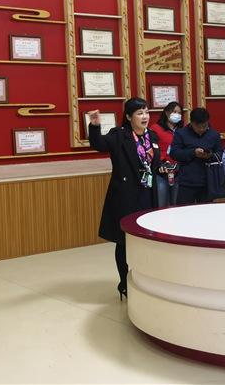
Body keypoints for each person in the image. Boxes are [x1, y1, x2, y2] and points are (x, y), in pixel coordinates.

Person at [87, 98, 160, 301]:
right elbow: (99, 145)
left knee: (145, 241)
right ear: (128, 117)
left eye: (146, 112)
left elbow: (153, 162)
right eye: (139, 113)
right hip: (126, 197)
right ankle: (124, 282)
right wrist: (95, 126)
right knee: (124, 241)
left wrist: (161, 168)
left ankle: (142, 280)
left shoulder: (152, 136)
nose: (145, 117)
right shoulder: (119, 135)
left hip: (147, 194)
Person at [169, 107, 224, 205]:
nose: (201, 129)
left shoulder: (214, 135)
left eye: (204, 126)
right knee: (183, 210)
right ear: (191, 122)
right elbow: (174, 153)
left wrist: (210, 156)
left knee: (205, 211)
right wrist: (193, 153)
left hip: (208, 181)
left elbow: (221, 154)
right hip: (187, 181)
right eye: (198, 126)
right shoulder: (181, 133)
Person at [149, 101, 184, 208]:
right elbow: (152, 149)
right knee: (161, 206)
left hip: (179, 171)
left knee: (177, 206)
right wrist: (162, 162)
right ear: (167, 113)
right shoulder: (155, 128)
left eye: (179, 113)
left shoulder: (184, 129)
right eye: (174, 112)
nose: (177, 115)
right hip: (161, 171)